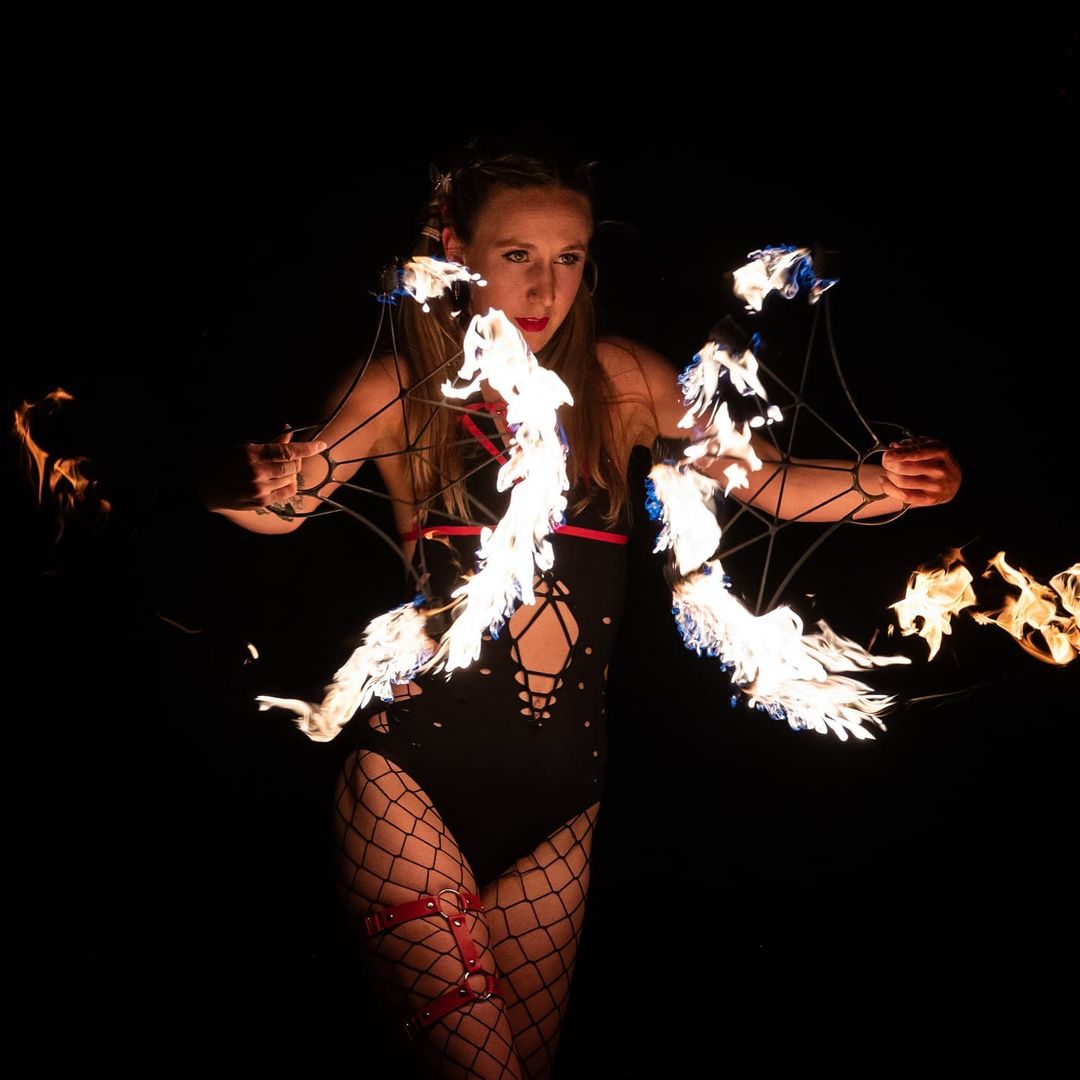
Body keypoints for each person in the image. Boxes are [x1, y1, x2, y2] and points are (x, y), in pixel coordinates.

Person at [199, 152, 961, 1078]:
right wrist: (245, 482)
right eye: (517, 254)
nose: (543, 287)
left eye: (568, 258)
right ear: (456, 251)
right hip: (409, 780)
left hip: (563, 806)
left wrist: (892, 485)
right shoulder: (399, 390)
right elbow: (286, 500)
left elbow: (776, 485)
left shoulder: (622, 381)